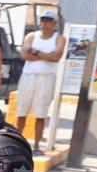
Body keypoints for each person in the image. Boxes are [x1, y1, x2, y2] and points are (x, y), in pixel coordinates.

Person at [16, 10, 64, 154]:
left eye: (48, 21)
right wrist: (46, 56)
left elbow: (56, 57)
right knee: (21, 111)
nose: (44, 24)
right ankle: (16, 142)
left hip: (47, 77)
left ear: (55, 23)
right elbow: (24, 54)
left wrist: (35, 52)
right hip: (28, 76)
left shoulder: (59, 38)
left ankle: (36, 145)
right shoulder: (32, 35)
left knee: (40, 113)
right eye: (42, 21)